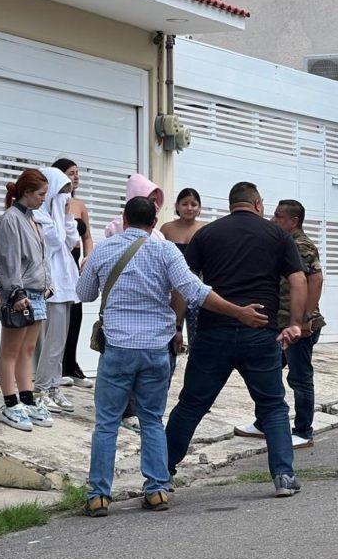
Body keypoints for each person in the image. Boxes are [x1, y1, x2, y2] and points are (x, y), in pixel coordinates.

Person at [77, 196, 269, 517]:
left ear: (124, 219)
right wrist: (238, 312)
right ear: (154, 222)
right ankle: (156, 489)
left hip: (118, 350)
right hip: (156, 350)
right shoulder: (166, 250)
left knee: (107, 423)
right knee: (152, 420)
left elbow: (84, 293)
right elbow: (196, 292)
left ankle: (98, 496)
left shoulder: (104, 249)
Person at [166, 182, 307, 498]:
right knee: (272, 406)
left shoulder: (206, 234)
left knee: (191, 404)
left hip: (212, 332)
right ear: (257, 203)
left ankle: (161, 473)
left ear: (232, 204)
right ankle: (284, 476)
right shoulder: (277, 235)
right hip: (260, 332)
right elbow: (298, 280)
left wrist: (176, 325)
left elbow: (183, 285)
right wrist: (295, 324)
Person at [234, 199, 324, 449]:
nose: (273, 220)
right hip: (281, 322)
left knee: (300, 378)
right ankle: (263, 423)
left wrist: (305, 318)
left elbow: (315, 281)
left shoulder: (302, 246)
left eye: (278, 217)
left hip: (298, 326)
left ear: (293, 221)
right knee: (266, 372)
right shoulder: (284, 242)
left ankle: (303, 431)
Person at [0, 169, 56, 431]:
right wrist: (15, 292)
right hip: (20, 294)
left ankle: (27, 399)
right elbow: (9, 260)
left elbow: (41, 258)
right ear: (27, 192)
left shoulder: (32, 219)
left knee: (28, 350)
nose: (43, 198)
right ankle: (10, 402)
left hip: (37, 293)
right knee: (10, 351)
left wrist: (48, 285)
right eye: (41, 194)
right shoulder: (11, 219)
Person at [105, 173, 168, 430]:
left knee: (146, 400)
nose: (151, 203)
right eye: (147, 198)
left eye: (154, 199)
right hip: (123, 322)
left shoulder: (160, 238)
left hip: (151, 326)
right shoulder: (114, 229)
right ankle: (126, 411)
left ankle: (138, 410)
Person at [32, 167, 81, 415]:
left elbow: (72, 241)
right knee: (49, 342)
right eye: (61, 193)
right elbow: (55, 240)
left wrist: (67, 214)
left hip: (65, 285)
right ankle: (41, 388)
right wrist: (60, 214)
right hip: (50, 285)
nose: (65, 198)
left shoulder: (58, 214)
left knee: (59, 341)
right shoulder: (38, 216)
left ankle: (53, 386)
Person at [52, 158, 94, 389]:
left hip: (75, 265)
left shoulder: (80, 205)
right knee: (57, 318)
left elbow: (87, 236)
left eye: (77, 173)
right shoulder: (52, 202)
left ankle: (71, 365)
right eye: (71, 173)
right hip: (58, 263)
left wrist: (88, 258)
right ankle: (54, 368)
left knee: (76, 315)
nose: (75, 177)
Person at [161, 187, 206, 348]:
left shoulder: (205, 229)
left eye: (193, 204)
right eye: (185, 204)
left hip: (196, 288)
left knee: (197, 338)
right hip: (170, 289)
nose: (189, 208)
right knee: (169, 335)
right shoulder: (166, 229)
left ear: (199, 208)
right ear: (177, 206)